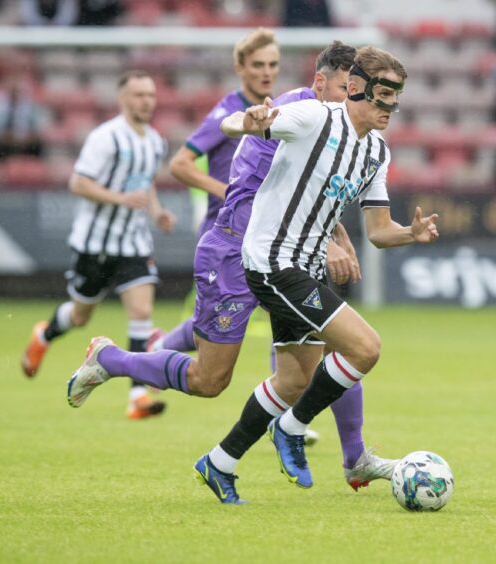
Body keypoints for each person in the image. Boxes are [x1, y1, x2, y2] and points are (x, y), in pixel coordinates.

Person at [68, 46, 439, 505]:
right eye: (382, 94)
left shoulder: (375, 153)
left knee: (272, 379)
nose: (390, 107)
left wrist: (410, 234)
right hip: (263, 260)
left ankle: (220, 461)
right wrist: (250, 119)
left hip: (300, 264)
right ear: (351, 86)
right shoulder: (311, 116)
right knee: (362, 347)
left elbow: (379, 232)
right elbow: (232, 127)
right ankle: (295, 429)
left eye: (396, 97)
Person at [21, 70, 176, 420]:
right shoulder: (106, 138)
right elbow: (78, 183)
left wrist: (157, 212)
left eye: (150, 95)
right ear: (122, 99)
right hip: (95, 243)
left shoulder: (154, 140)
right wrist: (119, 199)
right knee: (79, 316)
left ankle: (136, 396)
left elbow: (146, 183)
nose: (146, 101)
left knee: (140, 313)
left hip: (134, 243)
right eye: (139, 95)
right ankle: (44, 334)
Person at [154, 28, 281, 355]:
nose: (266, 72)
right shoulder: (228, 112)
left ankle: (283, 398)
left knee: (287, 311)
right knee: (212, 325)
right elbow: (180, 164)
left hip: (261, 230)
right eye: (258, 65)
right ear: (240, 68)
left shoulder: (276, 111)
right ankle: (157, 351)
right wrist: (228, 191)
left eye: (272, 64)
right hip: (224, 231)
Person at [0, 75, 45, 160]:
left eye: (16, 90)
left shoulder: (29, 105)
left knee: (38, 146)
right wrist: (7, 138)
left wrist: (26, 138)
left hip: (24, 141)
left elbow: (36, 128)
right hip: (4, 142)